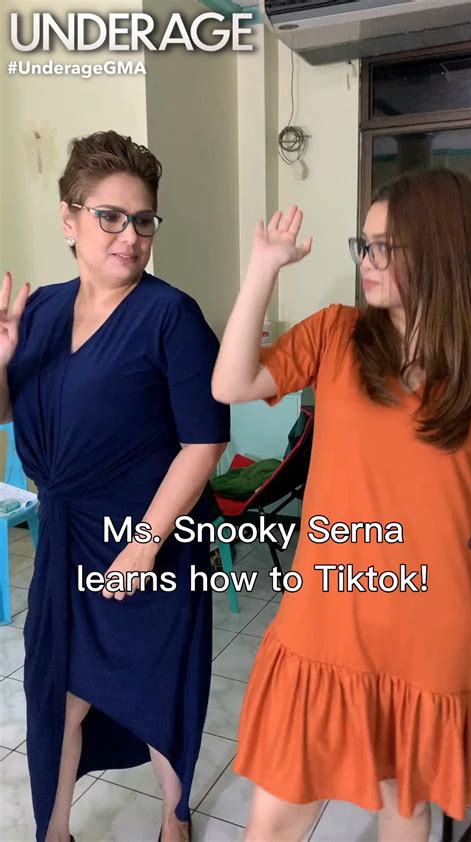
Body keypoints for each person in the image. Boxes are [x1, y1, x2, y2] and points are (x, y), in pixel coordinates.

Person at [212, 168, 471, 842]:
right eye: (365, 244)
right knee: (274, 814)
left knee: (403, 803)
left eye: (386, 246)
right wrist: (262, 269)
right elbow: (231, 381)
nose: (367, 260)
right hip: (327, 614)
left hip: (430, 629)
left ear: (439, 250)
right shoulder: (336, 334)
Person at [1, 130, 230, 842]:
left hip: (148, 541)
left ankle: (174, 819)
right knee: (61, 696)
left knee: (153, 691)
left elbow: (204, 442)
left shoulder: (171, 316)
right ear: (69, 219)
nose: (130, 236)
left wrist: (143, 546)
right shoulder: (39, 311)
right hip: (67, 544)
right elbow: (7, 412)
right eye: (110, 217)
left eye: (143, 220)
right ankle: (55, 831)